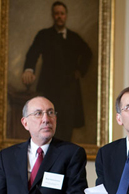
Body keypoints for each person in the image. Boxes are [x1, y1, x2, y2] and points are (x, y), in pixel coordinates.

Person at [22, 1, 92, 142]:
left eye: (62, 13)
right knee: (47, 123)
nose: (59, 16)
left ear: (65, 16)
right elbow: (33, 53)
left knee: (67, 124)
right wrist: (29, 69)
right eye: (56, 14)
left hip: (69, 90)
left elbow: (88, 53)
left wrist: (80, 70)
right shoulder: (44, 35)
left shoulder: (74, 37)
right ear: (53, 16)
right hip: (50, 88)